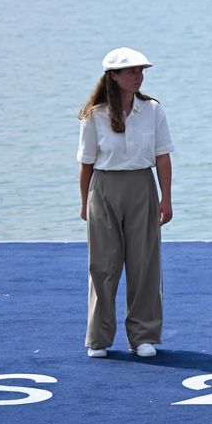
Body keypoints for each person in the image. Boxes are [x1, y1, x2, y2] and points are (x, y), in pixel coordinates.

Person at [77, 48, 173, 359]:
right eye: (131, 71)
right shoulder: (94, 115)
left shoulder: (153, 109)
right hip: (104, 189)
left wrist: (166, 197)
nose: (138, 76)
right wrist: (84, 204)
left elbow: (162, 156)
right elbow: (87, 164)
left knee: (144, 264)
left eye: (140, 71)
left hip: (142, 186)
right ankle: (99, 338)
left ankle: (142, 335)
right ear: (113, 77)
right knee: (103, 265)